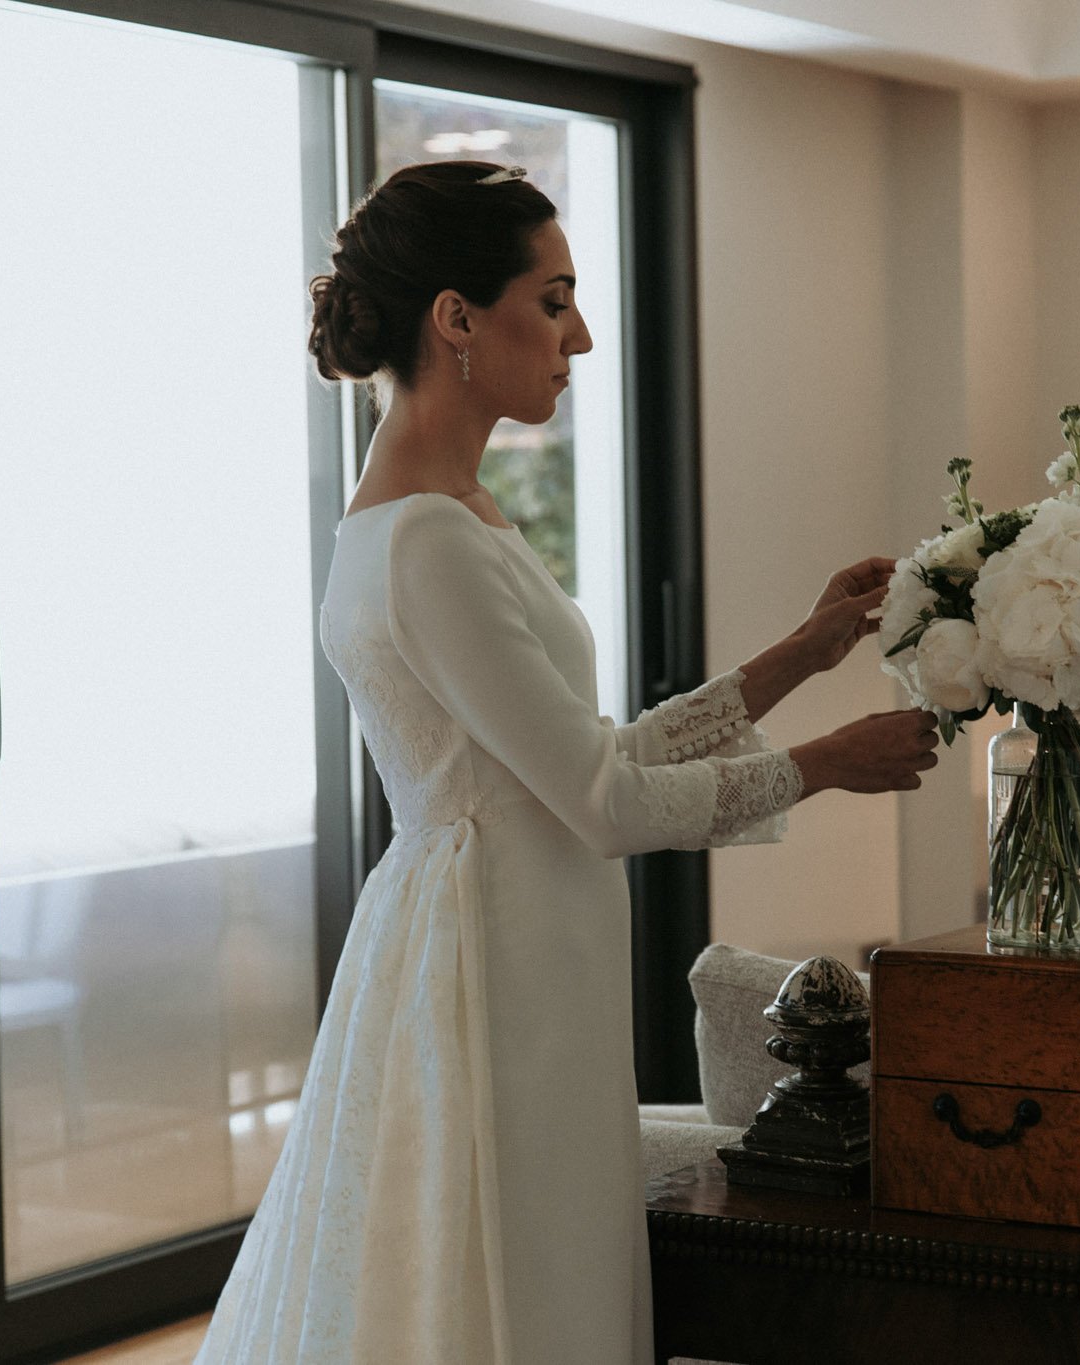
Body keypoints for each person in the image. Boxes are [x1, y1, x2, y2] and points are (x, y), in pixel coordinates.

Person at [195, 160, 939, 1363]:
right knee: (517, 1268)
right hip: (498, 954)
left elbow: (579, 760)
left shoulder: (448, 515)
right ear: (454, 319)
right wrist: (824, 763)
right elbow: (599, 804)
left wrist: (800, 655)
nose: (579, 336)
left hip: (512, 926)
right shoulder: (428, 540)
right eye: (552, 299)